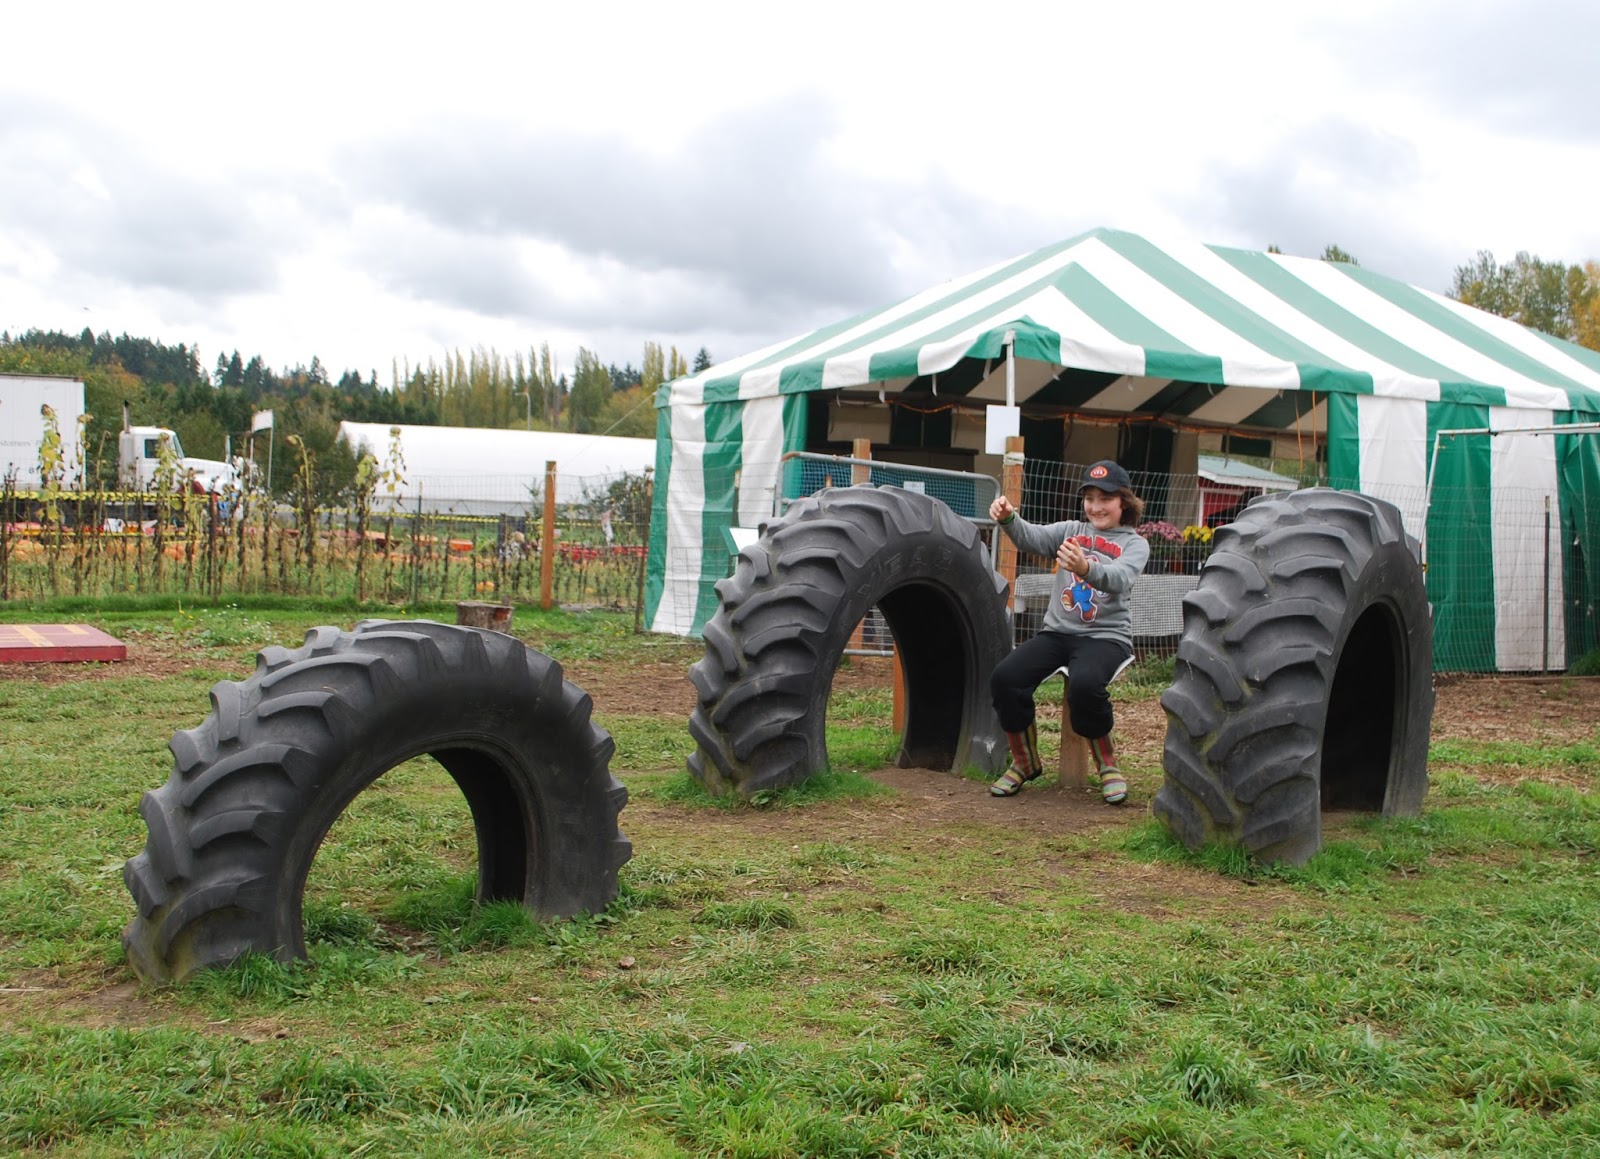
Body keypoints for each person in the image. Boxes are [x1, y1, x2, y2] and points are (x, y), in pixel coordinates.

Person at [987, 460, 1150, 804]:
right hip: (1058, 634)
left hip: (1106, 638)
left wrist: (1085, 567)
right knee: (1006, 678)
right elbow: (1031, 537)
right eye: (1089, 498)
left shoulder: (1135, 544)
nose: (1096, 506)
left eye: (1105, 498)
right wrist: (1008, 518)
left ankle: (1107, 765)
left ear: (1124, 502)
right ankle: (1025, 762)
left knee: (1085, 685)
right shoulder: (1070, 531)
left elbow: (1120, 579)